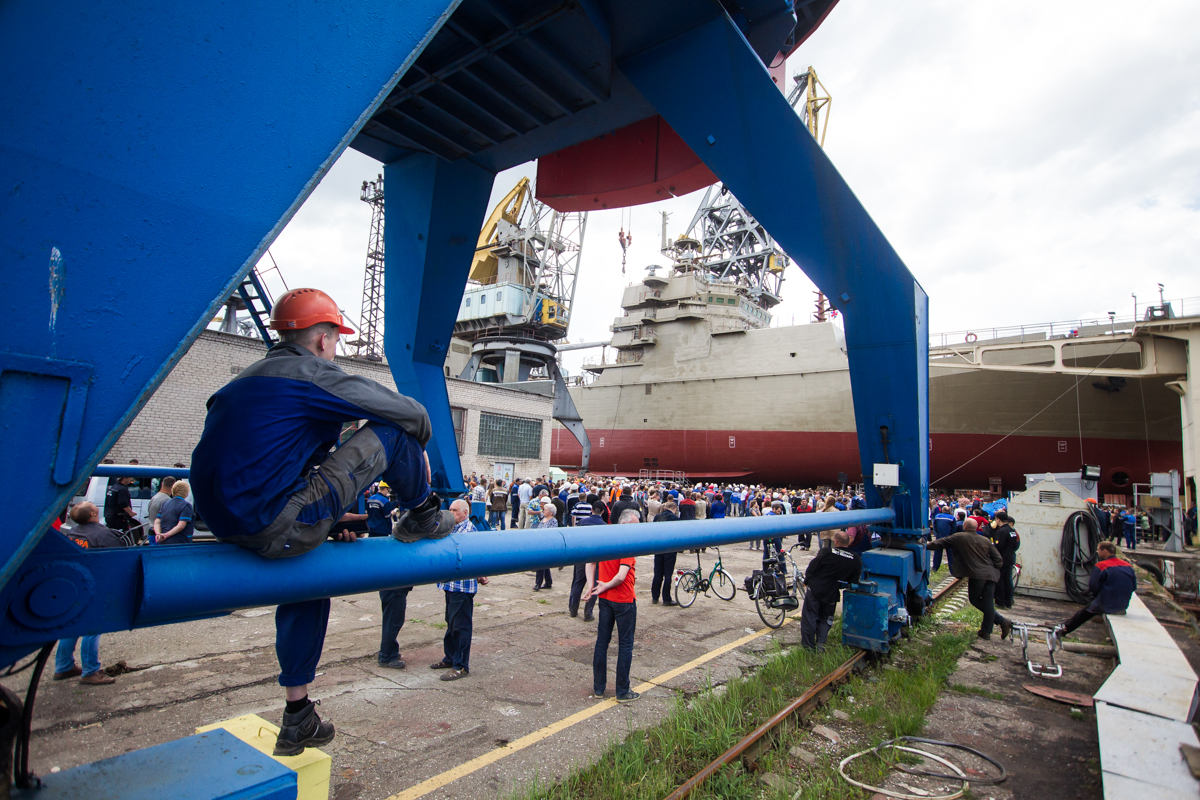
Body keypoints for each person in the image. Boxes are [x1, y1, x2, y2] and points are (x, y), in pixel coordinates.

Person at [191, 287, 453, 757]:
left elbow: (260, 466)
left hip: (226, 523)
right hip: (277, 523)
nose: (334, 350)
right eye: (335, 340)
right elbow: (412, 414)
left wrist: (327, 520)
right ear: (322, 338)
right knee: (393, 432)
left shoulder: (240, 382)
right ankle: (424, 514)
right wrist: (418, 454)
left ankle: (298, 714)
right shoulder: (310, 373)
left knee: (309, 574)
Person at [55, 502, 122, 685]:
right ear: (93, 513)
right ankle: (91, 671)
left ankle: (63, 666)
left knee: (73, 624)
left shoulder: (73, 532)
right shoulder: (104, 534)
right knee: (93, 628)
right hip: (97, 585)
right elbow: (121, 559)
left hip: (75, 585)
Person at [584, 509, 641, 702]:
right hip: (623, 599)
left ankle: (599, 688)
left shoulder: (605, 537)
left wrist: (593, 586)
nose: (638, 529)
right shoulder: (628, 544)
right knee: (625, 645)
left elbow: (590, 561)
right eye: (635, 525)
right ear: (624, 524)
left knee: (602, 642)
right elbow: (621, 576)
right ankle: (622, 691)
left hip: (605, 599)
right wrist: (604, 586)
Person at [431, 500, 488, 681]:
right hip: (450, 585)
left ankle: (461, 666)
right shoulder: (453, 528)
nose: (451, 513)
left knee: (461, 626)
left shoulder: (469, 531)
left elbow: (475, 556)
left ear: (465, 512)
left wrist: (481, 574)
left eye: (454, 511)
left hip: (462, 588)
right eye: (450, 510)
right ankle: (450, 658)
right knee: (450, 624)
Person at [926, 519, 1012, 640]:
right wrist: (990, 568)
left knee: (975, 600)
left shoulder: (959, 537)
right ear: (976, 528)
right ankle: (987, 631)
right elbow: (998, 560)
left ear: (965, 526)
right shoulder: (985, 540)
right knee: (987, 603)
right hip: (992, 575)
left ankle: (1001, 621)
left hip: (978, 575)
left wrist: (924, 545)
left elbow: (940, 543)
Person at [1044, 541, 1135, 633]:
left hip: (1108, 604)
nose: (1097, 552)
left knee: (1084, 613)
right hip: (1123, 604)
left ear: (1105, 551)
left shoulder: (1101, 566)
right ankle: (1064, 625)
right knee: (1091, 607)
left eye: (1098, 550)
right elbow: (1133, 586)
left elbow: (1093, 587)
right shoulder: (1128, 565)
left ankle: (1063, 630)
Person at [800, 531, 862, 650]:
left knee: (810, 617)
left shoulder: (826, 552)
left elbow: (812, 568)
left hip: (816, 589)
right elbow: (854, 581)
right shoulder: (855, 558)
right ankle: (820, 646)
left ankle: (808, 647)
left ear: (836, 541)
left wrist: (807, 581)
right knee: (825, 619)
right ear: (848, 542)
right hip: (832, 593)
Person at [568, 502, 603, 621]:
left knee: (578, 582)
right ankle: (588, 613)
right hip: (596, 557)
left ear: (591, 510)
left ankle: (573, 609)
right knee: (593, 584)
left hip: (582, 554)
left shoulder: (583, 522)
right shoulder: (604, 525)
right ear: (602, 512)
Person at [650, 500, 680, 606]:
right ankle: (666, 598)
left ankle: (655, 596)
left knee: (657, 573)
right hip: (670, 548)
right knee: (668, 574)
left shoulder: (657, 517)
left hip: (658, 547)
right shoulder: (675, 519)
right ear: (674, 509)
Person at [988, 512, 1019, 609]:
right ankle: (1008, 600)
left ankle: (1000, 601)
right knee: (1008, 580)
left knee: (1000, 580)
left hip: (1002, 558)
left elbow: (999, 546)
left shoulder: (1001, 531)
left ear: (998, 520)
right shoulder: (1012, 531)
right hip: (1010, 557)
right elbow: (1015, 545)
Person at [154, 480, 195, 545]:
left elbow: (157, 522)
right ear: (186, 493)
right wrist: (166, 535)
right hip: (180, 542)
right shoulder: (186, 506)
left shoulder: (165, 503)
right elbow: (180, 526)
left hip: (164, 542)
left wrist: (159, 534)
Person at [532, 499, 557, 591]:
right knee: (545, 564)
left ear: (551, 512)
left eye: (545, 510)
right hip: (540, 543)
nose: (543, 511)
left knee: (541, 563)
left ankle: (538, 583)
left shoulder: (553, 521)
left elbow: (551, 533)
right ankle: (548, 582)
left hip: (547, 545)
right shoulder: (543, 519)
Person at [930, 505, 956, 572]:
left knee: (938, 553)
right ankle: (952, 570)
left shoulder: (938, 516)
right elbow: (953, 529)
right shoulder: (952, 518)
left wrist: (937, 533)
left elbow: (934, 526)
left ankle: (935, 568)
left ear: (942, 510)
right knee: (950, 554)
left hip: (939, 536)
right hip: (949, 537)